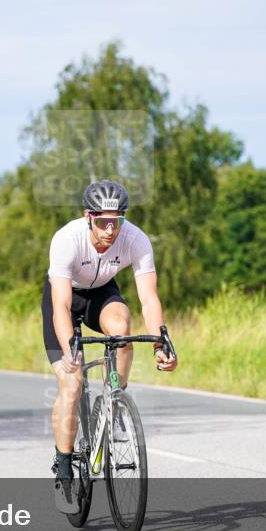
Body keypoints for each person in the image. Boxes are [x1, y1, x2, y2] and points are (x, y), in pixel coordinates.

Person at [42, 179, 177, 512]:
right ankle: (62, 468)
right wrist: (69, 346)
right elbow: (60, 305)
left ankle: (115, 397)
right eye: (102, 221)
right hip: (64, 299)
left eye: (115, 221)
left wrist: (162, 339)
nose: (109, 229)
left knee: (121, 328)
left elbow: (149, 297)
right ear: (88, 217)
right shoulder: (66, 239)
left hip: (101, 293)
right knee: (71, 386)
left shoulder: (136, 239)